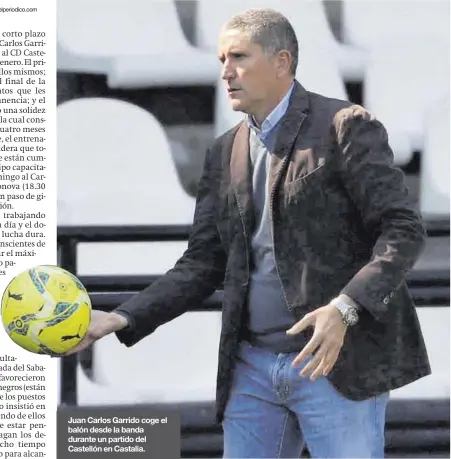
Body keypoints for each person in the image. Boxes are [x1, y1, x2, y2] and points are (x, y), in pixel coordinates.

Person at [67, 8, 431, 458]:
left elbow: (403, 230)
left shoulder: (346, 126)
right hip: (251, 369)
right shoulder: (225, 150)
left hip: (335, 364)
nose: (225, 71)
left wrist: (345, 308)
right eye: (221, 58)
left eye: (238, 56)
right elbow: (202, 262)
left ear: (281, 61)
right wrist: (122, 317)